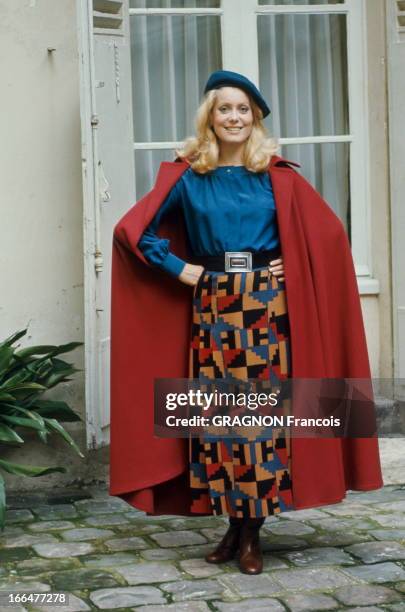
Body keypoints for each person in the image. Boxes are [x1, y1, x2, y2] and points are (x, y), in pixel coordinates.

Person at [109, 70, 383, 576]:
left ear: (254, 119)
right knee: (219, 423)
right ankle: (233, 523)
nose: (233, 118)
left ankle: (251, 529)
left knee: (259, 424)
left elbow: (328, 236)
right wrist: (180, 268)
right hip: (212, 307)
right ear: (209, 119)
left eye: (243, 110)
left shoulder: (279, 176)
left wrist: (292, 263)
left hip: (266, 307)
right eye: (224, 109)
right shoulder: (187, 176)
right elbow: (135, 232)